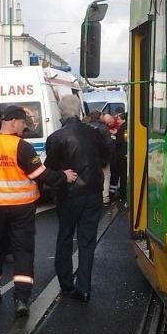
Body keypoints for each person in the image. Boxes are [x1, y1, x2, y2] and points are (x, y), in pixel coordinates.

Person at [0, 105, 77, 318]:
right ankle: (21, 300)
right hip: (22, 209)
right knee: (22, 252)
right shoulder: (22, 147)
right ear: (13, 121)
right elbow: (39, 174)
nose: (24, 128)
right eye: (23, 123)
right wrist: (63, 176)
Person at [45, 95, 112, 303]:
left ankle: (66, 284)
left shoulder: (57, 138)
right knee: (87, 242)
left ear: (61, 113)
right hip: (93, 192)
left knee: (65, 238)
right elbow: (107, 154)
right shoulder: (95, 133)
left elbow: (51, 169)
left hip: (69, 194)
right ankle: (84, 288)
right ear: (79, 111)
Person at [87, 110, 114, 204]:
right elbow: (109, 143)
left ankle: (93, 196)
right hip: (102, 157)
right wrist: (109, 155)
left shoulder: (85, 127)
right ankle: (104, 197)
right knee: (106, 176)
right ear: (99, 117)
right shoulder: (103, 128)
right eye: (102, 115)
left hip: (89, 158)